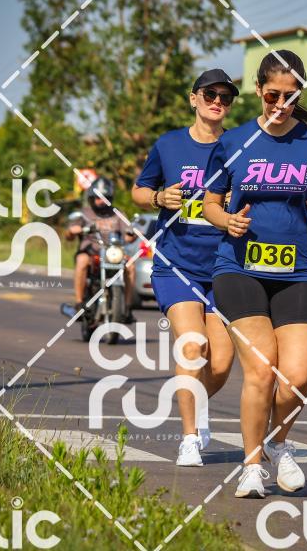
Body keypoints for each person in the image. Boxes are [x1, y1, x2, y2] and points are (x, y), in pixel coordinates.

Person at [202, 50, 307, 498]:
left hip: (298, 271)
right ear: (259, 90)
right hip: (238, 268)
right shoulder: (233, 142)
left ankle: (279, 444)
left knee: (297, 376)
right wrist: (226, 221)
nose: (281, 104)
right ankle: (250, 467)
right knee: (262, 369)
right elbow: (209, 204)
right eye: (272, 95)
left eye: (290, 96)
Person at [131, 69, 239, 467]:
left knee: (221, 363)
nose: (218, 101)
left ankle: (197, 406)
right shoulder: (169, 144)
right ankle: (189, 438)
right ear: (194, 99)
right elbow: (139, 190)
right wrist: (159, 198)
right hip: (176, 264)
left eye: (225, 97)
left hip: (226, 265)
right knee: (194, 346)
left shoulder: (240, 146)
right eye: (210, 94)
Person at [65, 176, 135, 321]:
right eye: (97, 198)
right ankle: (79, 303)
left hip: (113, 253)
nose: (101, 201)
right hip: (91, 253)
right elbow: (69, 235)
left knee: (131, 266)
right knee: (81, 261)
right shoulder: (84, 213)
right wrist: (72, 231)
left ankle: (127, 307)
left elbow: (129, 235)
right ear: (91, 198)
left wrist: (132, 235)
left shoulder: (118, 214)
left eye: (104, 197)